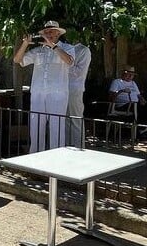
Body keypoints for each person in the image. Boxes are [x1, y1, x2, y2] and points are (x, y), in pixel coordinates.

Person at [14, 20, 75, 153]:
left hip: (57, 95)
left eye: (52, 31)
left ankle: (56, 160)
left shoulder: (68, 48)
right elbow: (18, 60)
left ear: (58, 33)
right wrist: (25, 43)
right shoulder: (37, 51)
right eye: (46, 32)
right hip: (38, 94)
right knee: (36, 127)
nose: (49, 34)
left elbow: (69, 61)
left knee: (56, 128)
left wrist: (53, 46)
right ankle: (35, 158)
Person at [66, 43, 91, 148]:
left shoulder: (83, 50)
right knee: (65, 119)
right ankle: (67, 146)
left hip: (74, 90)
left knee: (75, 119)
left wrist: (63, 64)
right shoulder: (65, 47)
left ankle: (79, 147)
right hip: (62, 88)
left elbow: (79, 72)